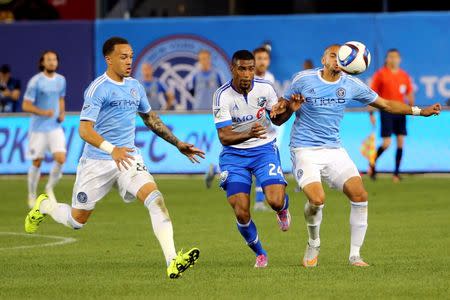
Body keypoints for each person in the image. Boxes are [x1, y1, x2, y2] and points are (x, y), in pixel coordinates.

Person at [24, 37, 205, 279]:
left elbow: (151, 119)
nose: (129, 61)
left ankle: (172, 260)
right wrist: (112, 149)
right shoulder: (98, 88)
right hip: (97, 162)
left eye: (131, 56)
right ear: (108, 59)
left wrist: (178, 143)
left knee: (155, 199)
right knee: (77, 221)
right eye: (123, 57)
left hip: (129, 158)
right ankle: (45, 206)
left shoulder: (135, 87)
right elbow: (85, 130)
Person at [270, 44, 440, 267]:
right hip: (304, 149)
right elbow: (278, 118)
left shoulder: (351, 85)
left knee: (360, 195)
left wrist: (419, 111)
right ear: (323, 60)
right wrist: (290, 108)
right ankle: (314, 242)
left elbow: (386, 104)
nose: (338, 59)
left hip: (334, 149)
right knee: (317, 199)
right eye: (333, 55)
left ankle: (355, 256)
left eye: (341, 55)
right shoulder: (302, 79)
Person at [213, 50, 291, 268]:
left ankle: (282, 209)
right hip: (234, 155)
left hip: (264, 149)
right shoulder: (222, 95)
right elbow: (224, 136)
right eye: (242, 69)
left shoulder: (265, 88)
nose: (247, 74)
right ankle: (260, 253)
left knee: (275, 200)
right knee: (241, 209)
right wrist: (248, 133)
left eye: (250, 68)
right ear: (233, 69)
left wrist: (291, 108)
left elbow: (277, 120)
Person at [22, 51, 66, 208]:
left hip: (55, 127)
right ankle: (32, 194)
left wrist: (61, 113)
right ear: (42, 63)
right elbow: (25, 105)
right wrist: (43, 112)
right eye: (48, 60)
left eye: (54, 59)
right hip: (38, 129)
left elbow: (61, 98)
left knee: (61, 158)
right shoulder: (36, 81)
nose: (52, 62)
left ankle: (49, 188)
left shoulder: (61, 80)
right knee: (37, 162)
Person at [368, 49, 414, 182]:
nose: (393, 59)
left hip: (401, 111)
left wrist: (412, 109)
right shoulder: (380, 74)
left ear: (400, 59)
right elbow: (372, 95)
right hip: (387, 111)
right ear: (387, 59)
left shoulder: (404, 75)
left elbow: (409, 93)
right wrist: (371, 113)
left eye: (396, 57)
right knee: (387, 143)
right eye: (391, 57)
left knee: (400, 142)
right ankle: (372, 163)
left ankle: (396, 173)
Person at [252, 46, 276, 211]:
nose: (262, 62)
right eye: (259, 58)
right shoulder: (247, 78)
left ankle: (259, 201)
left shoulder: (270, 78)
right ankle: (217, 171)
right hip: (245, 126)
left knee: (262, 163)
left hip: (264, 127)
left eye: (265, 59)